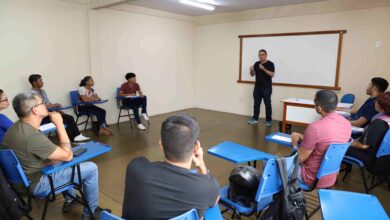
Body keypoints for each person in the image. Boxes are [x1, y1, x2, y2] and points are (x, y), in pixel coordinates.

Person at [0, 92, 110, 219]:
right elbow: (68, 155)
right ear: (35, 110)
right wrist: (59, 124)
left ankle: (70, 199)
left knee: (56, 160)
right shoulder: (32, 136)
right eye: (42, 103)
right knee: (90, 168)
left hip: (20, 183)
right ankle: (90, 212)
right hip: (37, 184)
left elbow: (27, 154)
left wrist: (48, 160)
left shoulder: (14, 129)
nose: (46, 105)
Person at [122, 114, 219, 220]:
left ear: (161, 144)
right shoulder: (207, 187)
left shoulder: (135, 168)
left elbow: (143, 162)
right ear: (196, 148)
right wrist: (201, 165)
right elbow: (214, 201)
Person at [291, 90, 352, 188]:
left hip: (311, 178)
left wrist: (294, 142)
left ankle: (282, 202)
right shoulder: (347, 124)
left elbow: (300, 159)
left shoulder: (314, 128)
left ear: (319, 108)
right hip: (331, 176)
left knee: (274, 167)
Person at [28, 74, 90, 142]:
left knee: (69, 117)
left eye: (41, 80)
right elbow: (39, 108)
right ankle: (74, 138)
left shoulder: (42, 91)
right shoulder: (31, 94)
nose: (42, 82)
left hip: (49, 113)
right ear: (34, 83)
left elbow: (48, 104)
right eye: (40, 81)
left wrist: (58, 110)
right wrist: (54, 105)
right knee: (64, 119)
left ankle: (77, 136)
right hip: (41, 118)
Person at [345, 91, 390, 170]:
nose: (375, 102)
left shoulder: (379, 123)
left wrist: (348, 143)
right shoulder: (387, 119)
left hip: (373, 160)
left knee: (336, 146)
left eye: (376, 101)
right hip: (384, 159)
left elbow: (363, 146)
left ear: (381, 105)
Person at [248, 49, 275, 127]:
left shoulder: (270, 64)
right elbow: (252, 74)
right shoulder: (256, 63)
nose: (261, 56)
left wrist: (263, 68)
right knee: (256, 104)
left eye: (263, 54)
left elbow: (272, 74)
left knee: (267, 104)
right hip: (257, 88)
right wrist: (251, 70)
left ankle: (268, 120)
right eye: (259, 55)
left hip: (267, 88)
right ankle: (255, 119)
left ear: (266, 55)